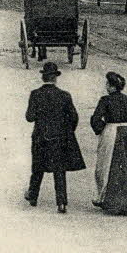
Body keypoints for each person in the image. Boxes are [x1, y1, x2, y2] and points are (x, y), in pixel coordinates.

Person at [24, 61, 86, 213]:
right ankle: (61, 203)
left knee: (37, 167)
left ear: (43, 77)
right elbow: (74, 117)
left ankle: (33, 196)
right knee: (59, 170)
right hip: (59, 137)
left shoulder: (35, 94)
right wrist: (67, 131)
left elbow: (29, 117)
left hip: (40, 136)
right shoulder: (64, 95)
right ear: (55, 78)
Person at [90, 71, 127, 215]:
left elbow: (96, 119)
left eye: (108, 84)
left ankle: (107, 199)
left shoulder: (105, 100)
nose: (106, 86)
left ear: (112, 86)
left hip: (110, 132)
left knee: (106, 165)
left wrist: (102, 129)